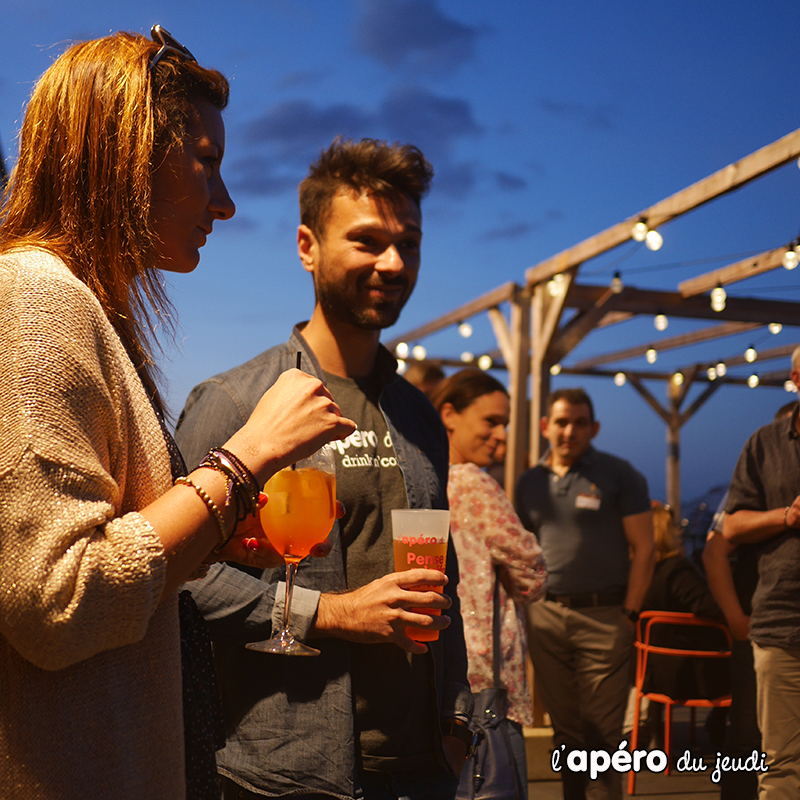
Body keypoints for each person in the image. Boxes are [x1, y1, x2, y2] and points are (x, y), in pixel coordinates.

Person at [0, 27, 355, 800]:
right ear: (123, 150)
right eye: (207, 161)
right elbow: (56, 598)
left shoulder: (81, 305)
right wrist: (244, 457)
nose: (225, 204)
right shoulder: (36, 298)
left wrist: (214, 537)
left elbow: (109, 549)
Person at [175, 137, 472, 799]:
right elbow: (179, 581)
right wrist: (331, 613)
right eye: (367, 241)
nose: (394, 262)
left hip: (423, 770)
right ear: (307, 246)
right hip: (283, 773)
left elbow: (440, 575)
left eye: (410, 243)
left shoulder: (420, 416)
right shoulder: (237, 402)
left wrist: (456, 714)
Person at [515, 387, 655, 800]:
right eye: (561, 422)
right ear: (546, 426)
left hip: (606, 617)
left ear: (593, 428)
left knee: (603, 734)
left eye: (579, 423)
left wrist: (629, 613)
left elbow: (645, 548)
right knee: (567, 731)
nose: (569, 431)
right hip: (547, 617)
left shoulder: (619, 474)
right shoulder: (528, 483)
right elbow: (520, 548)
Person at [431, 368, 548, 796]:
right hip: (484, 677)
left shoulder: (424, 480)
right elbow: (533, 572)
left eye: (505, 424)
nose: (500, 434)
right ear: (449, 414)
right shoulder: (472, 481)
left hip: (436, 668)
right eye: (491, 421)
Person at [702, 401, 795, 800]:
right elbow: (715, 549)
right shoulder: (763, 453)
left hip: (764, 618)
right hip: (769, 619)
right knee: (750, 740)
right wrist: (737, 619)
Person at [721, 356, 800, 800]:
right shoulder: (765, 443)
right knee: (782, 767)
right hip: (782, 623)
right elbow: (730, 527)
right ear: (795, 379)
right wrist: (786, 515)